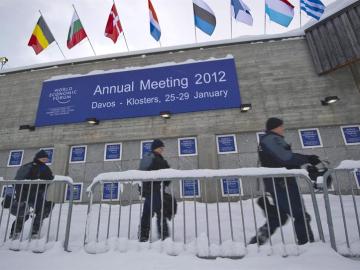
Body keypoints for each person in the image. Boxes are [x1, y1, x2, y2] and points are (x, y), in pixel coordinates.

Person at [249, 117, 320, 245]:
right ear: (275, 127)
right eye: (281, 126)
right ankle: (307, 245)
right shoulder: (270, 139)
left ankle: (255, 243)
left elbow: (280, 160)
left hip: (278, 182)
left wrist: (303, 165)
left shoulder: (270, 139)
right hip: (282, 183)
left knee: (279, 217)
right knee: (300, 215)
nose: (283, 129)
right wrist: (307, 158)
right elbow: (285, 158)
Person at [10, 150, 54, 239]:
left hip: (37, 194)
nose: (45, 160)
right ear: (38, 157)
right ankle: (15, 233)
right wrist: (21, 195)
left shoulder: (45, 168)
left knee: (43, 209)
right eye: (43, 158)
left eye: (46, 158)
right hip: (25, 194)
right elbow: (17, 181)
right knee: (23, 214)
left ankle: (35, 231)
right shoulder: (28, 166)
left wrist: (42, 188)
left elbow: (50, 178)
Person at [139, 139, 170, 242]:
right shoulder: (157, 159)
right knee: (160, 212)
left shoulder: (147, 157)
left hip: (147, 190)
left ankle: (143, 235)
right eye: (161, 148)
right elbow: (167, 173)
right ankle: (164, 236)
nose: (162, 150)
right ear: (156, 148)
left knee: (147, 213)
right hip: (154, 190)